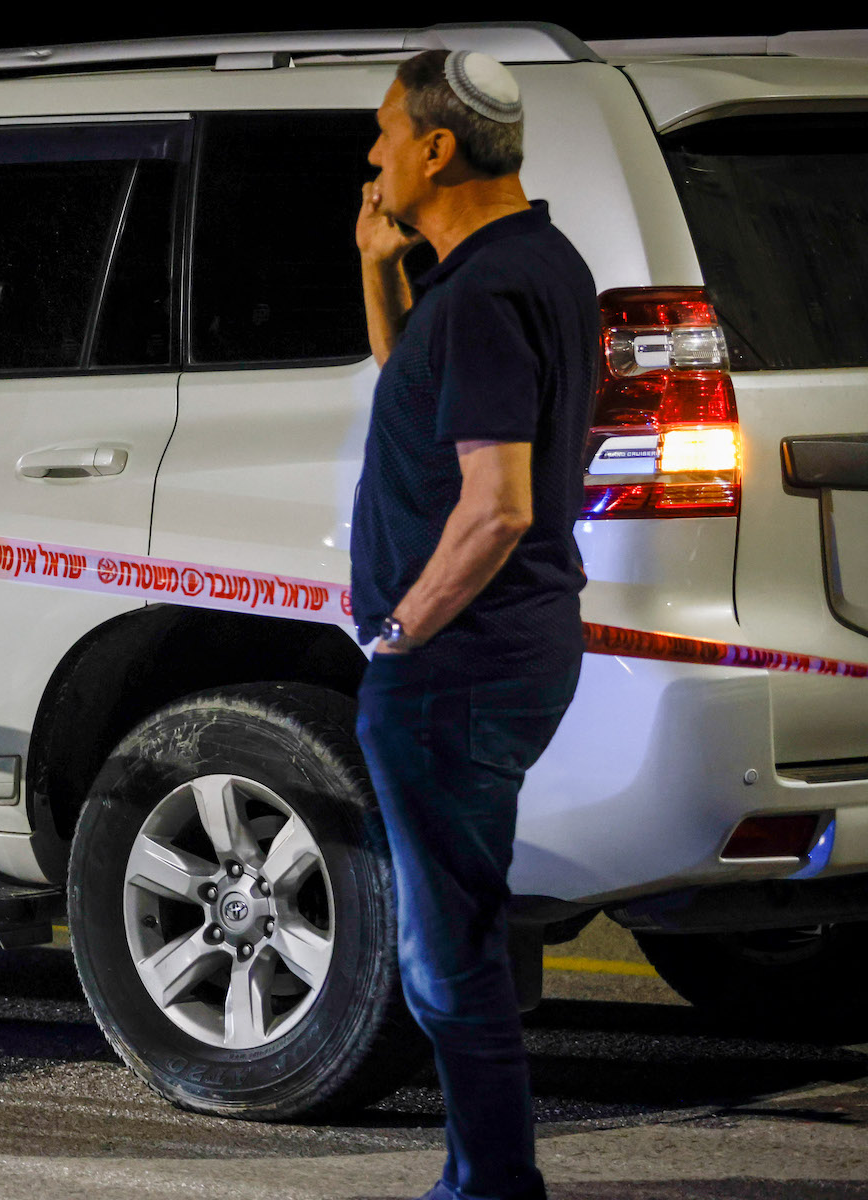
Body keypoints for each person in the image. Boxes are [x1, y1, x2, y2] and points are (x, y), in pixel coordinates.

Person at [350, 50, 598, 1200]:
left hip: (459, 664)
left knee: (447, 954)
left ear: (437, 149)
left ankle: (494, 1185)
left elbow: (498, 507)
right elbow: (425, 385)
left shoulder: (489, 294)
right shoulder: (527, 268)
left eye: (387, 133)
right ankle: (478, 1173)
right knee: (457, 930)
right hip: (507, 650)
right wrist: (378, 273)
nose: (375, 155)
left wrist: (401, 630)